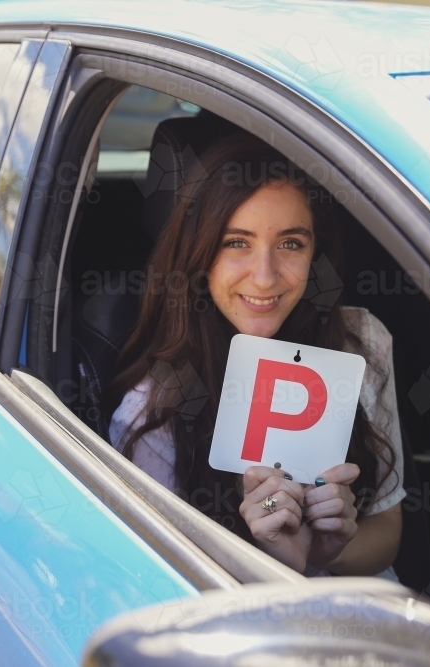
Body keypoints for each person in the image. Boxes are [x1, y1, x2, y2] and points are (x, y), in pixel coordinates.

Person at [105, 132, 405, 577]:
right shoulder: (152, 417)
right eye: (236, 242)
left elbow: (388, 530)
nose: (265, 278)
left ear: (314, 254)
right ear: (198, 255)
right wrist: (274, 561)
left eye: (290, 244)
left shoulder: (361, 342)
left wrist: (329, 551)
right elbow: (172, 594)